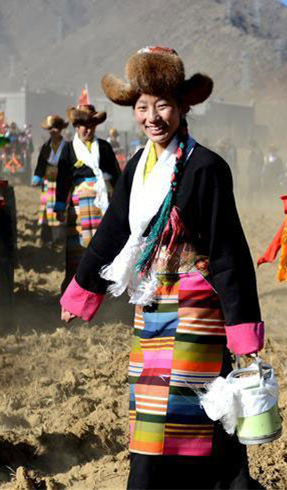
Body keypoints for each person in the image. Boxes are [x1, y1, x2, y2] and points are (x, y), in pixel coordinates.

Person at [60, 46, 263, 489]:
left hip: (198, 313)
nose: (152, 117)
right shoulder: (137, 166)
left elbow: (229, 253)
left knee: (200, 412)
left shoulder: (207, 167)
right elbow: (114, 232)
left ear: (183, 106)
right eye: (142, 107)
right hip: (151, 305)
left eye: (162, 105)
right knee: (151, 414)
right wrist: (82, 290)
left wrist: (243, 332)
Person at [53, 104, 120, 291]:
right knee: (78, 248)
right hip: (79, 206)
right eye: (83, 125)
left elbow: (116, 176)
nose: (87, 129)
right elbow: (63, 179)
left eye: (91, 125)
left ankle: (104, 288)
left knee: (104, 245)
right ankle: (76, 287)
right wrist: (59, 206)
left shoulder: (104, 147)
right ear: (76, 126)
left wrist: (121, 205)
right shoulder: (68, 150)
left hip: (104, 203)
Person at [32, 115, 69, 245]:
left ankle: (61, 238)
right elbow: (40, 164)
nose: (53, 131)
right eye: (51, 128)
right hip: (48, 183)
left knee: (61, 209)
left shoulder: (67, 147)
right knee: (47, 212)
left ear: (61, 130)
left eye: (56, 128)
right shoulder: (45, 147)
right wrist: (37, 176)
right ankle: (47, 238)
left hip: (62, 183)